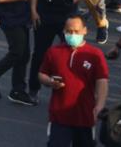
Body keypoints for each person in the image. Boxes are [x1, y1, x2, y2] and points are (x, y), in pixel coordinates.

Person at [38, 14, 109, 147]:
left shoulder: (95, 55)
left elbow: (102, 81)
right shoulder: (54, 52)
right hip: (59, 116)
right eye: (69, 31)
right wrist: (50, 82)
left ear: (85, 31)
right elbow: (42, 74)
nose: (72, 35)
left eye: (76, 31)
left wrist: (100, 105)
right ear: (64, 31)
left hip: (85, 117)